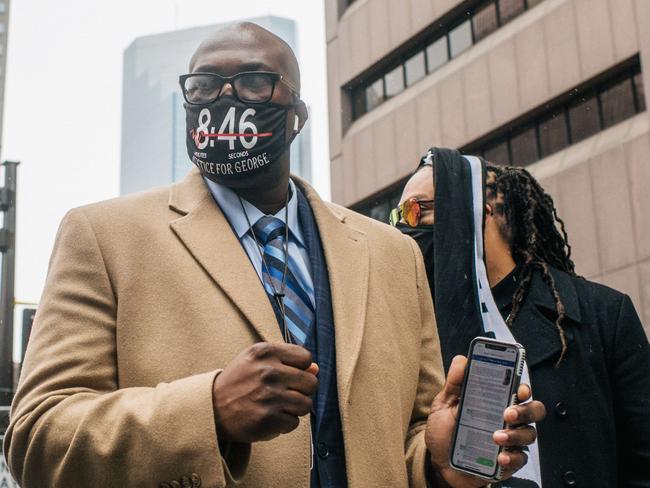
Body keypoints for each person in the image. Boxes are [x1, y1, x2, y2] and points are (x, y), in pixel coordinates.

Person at [3, 26, 544, 488]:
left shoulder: (392, 254)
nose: (226, 98)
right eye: (205, 84)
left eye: (255, 81)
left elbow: (407, 439)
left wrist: (437, 460)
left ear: (298, 117)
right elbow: (35, 438)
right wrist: (207, 410)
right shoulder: (102, 236)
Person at [393, 147, 650, 487]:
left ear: (476, 212)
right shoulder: (413, 334)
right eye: (397, 218)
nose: (401, 229)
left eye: (413, 211)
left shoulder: (601, 313)